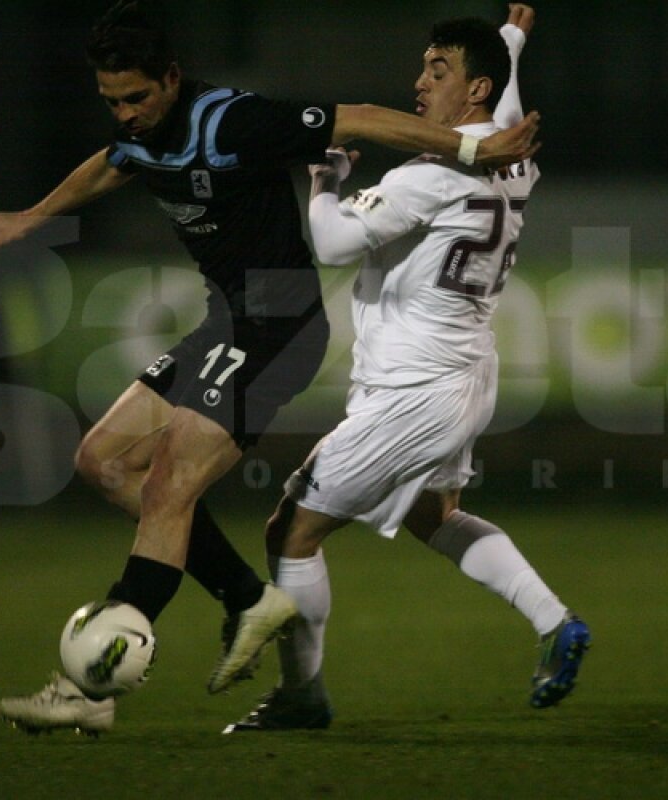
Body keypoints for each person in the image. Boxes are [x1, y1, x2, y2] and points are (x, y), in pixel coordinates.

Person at [0, 0, 540, 736]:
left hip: (278, 323)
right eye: (112, 101)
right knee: (102, 462)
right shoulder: (141, 133)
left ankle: (90, 685)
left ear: (171, 78)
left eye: (138, 97)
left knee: (170, 480)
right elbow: (114, 164)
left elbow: (358, 115)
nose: (128, 113)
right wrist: (30, 217)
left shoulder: (232, 120)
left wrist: (471, 152)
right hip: (226, 321)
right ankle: (246, 597)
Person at [223, 5, 589, 733]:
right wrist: (512, 39)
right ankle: (558, 622)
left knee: (290, 531)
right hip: (465, 374)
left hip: (413, 389)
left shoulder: (431, 174)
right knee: (436, 517)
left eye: (437, 69)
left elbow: (331, 245)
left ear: (476, 89)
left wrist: (324, 179)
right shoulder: (513, 152)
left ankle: (304, 696)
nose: (418, 82)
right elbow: (504, 99)